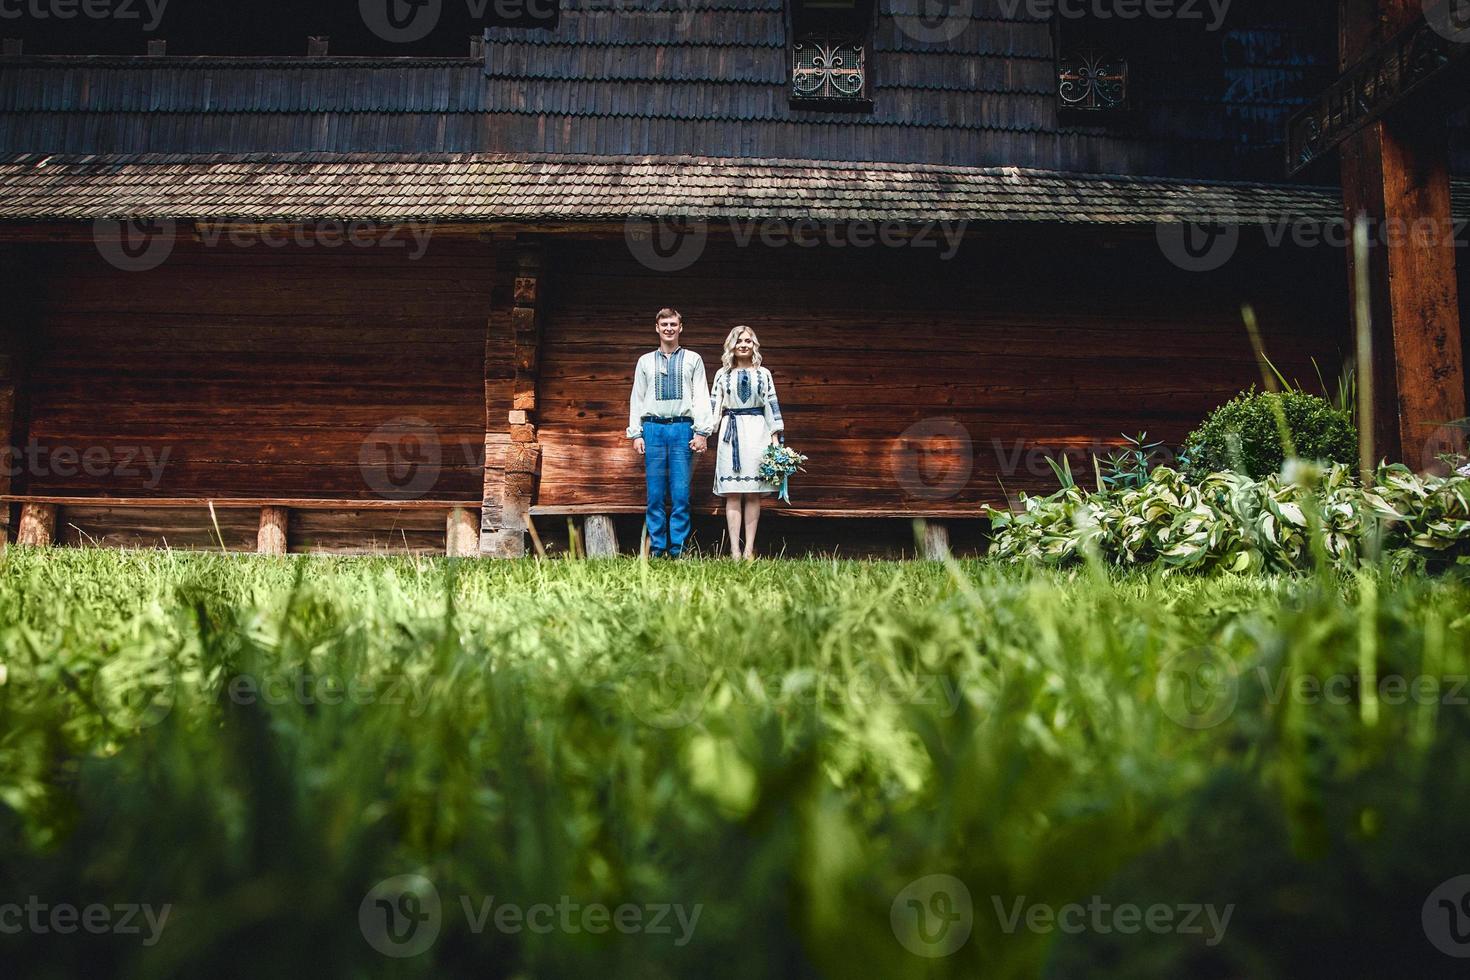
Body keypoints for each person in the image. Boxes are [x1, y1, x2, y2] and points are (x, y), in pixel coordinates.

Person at [627, 308, 714, 558]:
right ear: (656, 327)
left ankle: (678, 549)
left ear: (680, 327)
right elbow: (637, 397)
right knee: (655, 494)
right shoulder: (645, 361)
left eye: (673, 324)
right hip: (653, 429)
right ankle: (657, 548)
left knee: (680, 493)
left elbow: (701, 396)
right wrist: (636, 434)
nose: (668, 328)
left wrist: (701, 432)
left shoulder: (692, 359)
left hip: (682, 429)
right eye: (664, 324)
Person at [709, 325, 784, 560]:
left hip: (756, 432)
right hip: (730, 434)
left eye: (748, 341)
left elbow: (771, 406)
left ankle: (750, 549)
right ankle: (734, 550)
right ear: (731, 345)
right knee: (733, 492)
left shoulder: (764, 374)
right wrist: (703, 433)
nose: (743, 344)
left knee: (753, 493)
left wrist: (775, 442)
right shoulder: (722, 374)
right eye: (739, 340)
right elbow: (714, 406)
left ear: (754, 345)